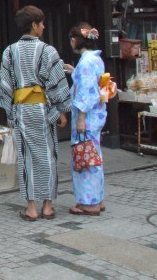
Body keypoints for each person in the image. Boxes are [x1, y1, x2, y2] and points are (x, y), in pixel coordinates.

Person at [0, 6, 71, 222]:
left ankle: (31, 208)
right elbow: (56, 83)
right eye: (42, 23)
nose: (43, 27)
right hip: (43, 108)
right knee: (48, 155)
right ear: (34, 25)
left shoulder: (9, 52)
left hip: (21, 110)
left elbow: (5, 85)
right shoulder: (48, 51)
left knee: (26, 156)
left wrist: (9, 113)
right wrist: (62, 110)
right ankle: (48, 206)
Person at [66, 23, 107, 216]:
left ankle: (89, 203)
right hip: (96, 114)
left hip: (87, 117)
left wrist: (81, 118)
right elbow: (92, 83)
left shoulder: (86, 63)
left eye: (71, 39)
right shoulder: (95, 59)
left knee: (84, 158)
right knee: (93, 155)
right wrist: (74, 71)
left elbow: (86, 92)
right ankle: (97, 198)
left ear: (75, 40)